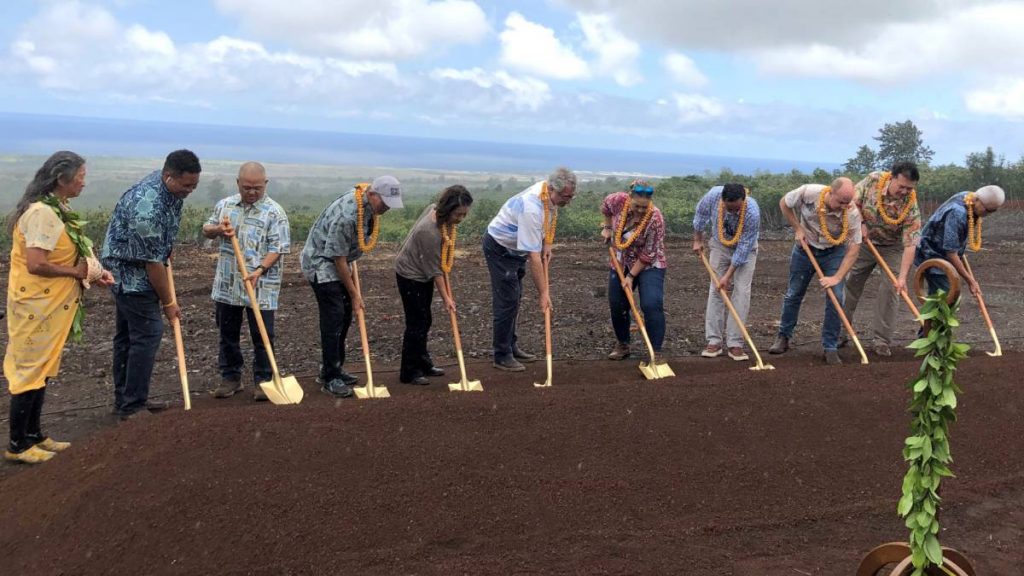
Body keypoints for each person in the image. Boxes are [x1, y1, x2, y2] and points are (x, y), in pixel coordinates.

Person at [4, 152, 112, 463]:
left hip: (51, 307)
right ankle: (18, 445)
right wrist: (76, 273)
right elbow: (37, 264)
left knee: (42, 369)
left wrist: (95, 272)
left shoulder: (59, 210)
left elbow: (69, 253)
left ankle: (34, 434)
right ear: (61, 179)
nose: (84, 181)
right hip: (35, 306)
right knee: (29, 370)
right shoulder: (42, 214)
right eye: (80, 176)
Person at [101, 149, 201, 419]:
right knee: (148, 334)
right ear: (169, 176)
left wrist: (165, 247)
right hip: (131, 276)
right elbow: (153, 265)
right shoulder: (148, 208)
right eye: (187, 185)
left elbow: (158, 251)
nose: (190, 190)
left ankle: (126, 400)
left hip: (139, 267)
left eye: (195, 185)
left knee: (128, 336)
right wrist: (169, 303)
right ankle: (132, 406)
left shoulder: (169, 190)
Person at [301, 176, 403, 398]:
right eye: (383, 202)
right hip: (321, 263)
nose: (386, 208)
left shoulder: (365, 206)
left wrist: (352, 294)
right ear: (372, 194)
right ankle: (330, 378)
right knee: (334, 317)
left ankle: (334, 367)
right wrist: (355, 294)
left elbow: (347, 253)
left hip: (340, 261)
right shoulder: (348, 215)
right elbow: (338, 258)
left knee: (345, 315)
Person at [202, 162, 290, 401]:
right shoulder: (225, 206)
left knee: (262, 335)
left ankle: (263, 380)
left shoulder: (275, 212)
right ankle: (231, 377)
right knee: (227, 333)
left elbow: (279, 248)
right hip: (228, 284)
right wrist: (218, 228)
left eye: (257, 188)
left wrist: (260, 269)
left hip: (261, 285)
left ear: (265, 185)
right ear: (238, 183)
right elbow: (206, 228)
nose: (252, 192)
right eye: (247, 187)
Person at [483, 167, 576, 372]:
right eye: (565, 197)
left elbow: (547, 223)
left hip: (516, 247)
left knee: (515, 297)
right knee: (507, 300)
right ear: (553, 189)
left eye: (571, 197)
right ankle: (501, 354)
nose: (567, 201)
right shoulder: (532, 207)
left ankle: (511, 346)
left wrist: (547, 244)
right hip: (500, 247)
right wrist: (544, 294)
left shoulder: (547, 194)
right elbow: (533, 257)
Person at [769, 177, 863, 365]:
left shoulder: (851, 212)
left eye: (848, 202)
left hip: (833, 252)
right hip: (805, 249)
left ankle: (830, 346)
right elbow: (784, 203)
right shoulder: (809, 192)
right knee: (794, 293)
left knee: (836, 296)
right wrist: (797, 228)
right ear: (830, 193)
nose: (845, 206)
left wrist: (837, 277)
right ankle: (783, 336)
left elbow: (854, 248)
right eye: (841, 202)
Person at [394, 185, 474, 385]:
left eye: (464, 214)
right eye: (458, 214)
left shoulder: (435, 210)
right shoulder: (428, 232)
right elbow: (435, 271)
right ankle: (409, 372)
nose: (461, 219)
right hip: (411, 275)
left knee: (425, 320)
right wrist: (447, 298)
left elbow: (440, 263)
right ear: (447, 209)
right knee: (416, 323)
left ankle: (422, 361)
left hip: (423, 272)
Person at [841, 162, 923, 357]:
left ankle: (881, 340)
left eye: (909, 188)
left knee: (891, 290)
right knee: (850, 284)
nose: (904, 191)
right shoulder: (873, 180)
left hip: (892, 247)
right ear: (892, 177)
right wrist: (860, 223)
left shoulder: (911, 205)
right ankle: (839, 332)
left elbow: (911, 243)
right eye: (901, 186)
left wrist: (902, 277)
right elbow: (852, 203)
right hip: (863, 241)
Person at [692, 183, 761, 361]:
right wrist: (697, 240)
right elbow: (700, 214)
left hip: (746, 249)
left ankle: (735, 343)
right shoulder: (713, 195)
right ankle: (713, 341)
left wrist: (727, 276)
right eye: (727, 208)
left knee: (742, 292)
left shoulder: (752, 212)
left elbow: (744, 248)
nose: (731, 212)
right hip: (719, 245)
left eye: (735, 208)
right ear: (722, 199)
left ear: (743, 200)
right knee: (716, 289)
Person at [601, 180, 668, 362]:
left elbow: (649, 253)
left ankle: (656, 351)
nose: (640, 210)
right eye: (637, 206)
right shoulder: (616, 201)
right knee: (617, 304)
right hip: (621, 259)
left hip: (649, 264)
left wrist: (630, 277)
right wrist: (607, 227)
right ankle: (623, 344)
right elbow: (605, 208)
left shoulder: (655, 218)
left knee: (651, 304)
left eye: (644, 207)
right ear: (629, 198)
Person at [914, 186, 1005, 297]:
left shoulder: (969, 196)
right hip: (932, 253)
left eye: (993, 211)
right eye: (988, 210)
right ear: (976, 200)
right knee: (945, 297)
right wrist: (971, 281)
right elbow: (951, 253)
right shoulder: (957, 213)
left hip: (947, 252)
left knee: (945, 298)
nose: (988, 214)